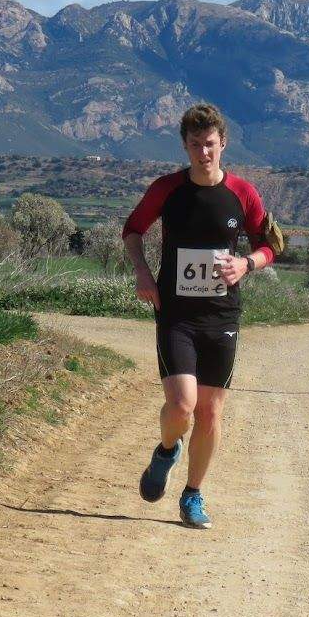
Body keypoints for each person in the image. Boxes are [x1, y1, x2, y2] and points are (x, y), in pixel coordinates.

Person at [122, 104, 281, 529]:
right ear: (185, 146)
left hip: (222, 314)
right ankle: (167, 449)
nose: (203, 153)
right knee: (182, 406)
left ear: (223, 144)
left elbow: (272, 245)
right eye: (195, 145)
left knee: (210, 413)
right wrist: (142, 273)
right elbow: (133, 229)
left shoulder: (243, 194)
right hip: (175, 312)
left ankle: (192, 494)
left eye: (210, 145)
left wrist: (248, 264)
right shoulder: (167, 189)